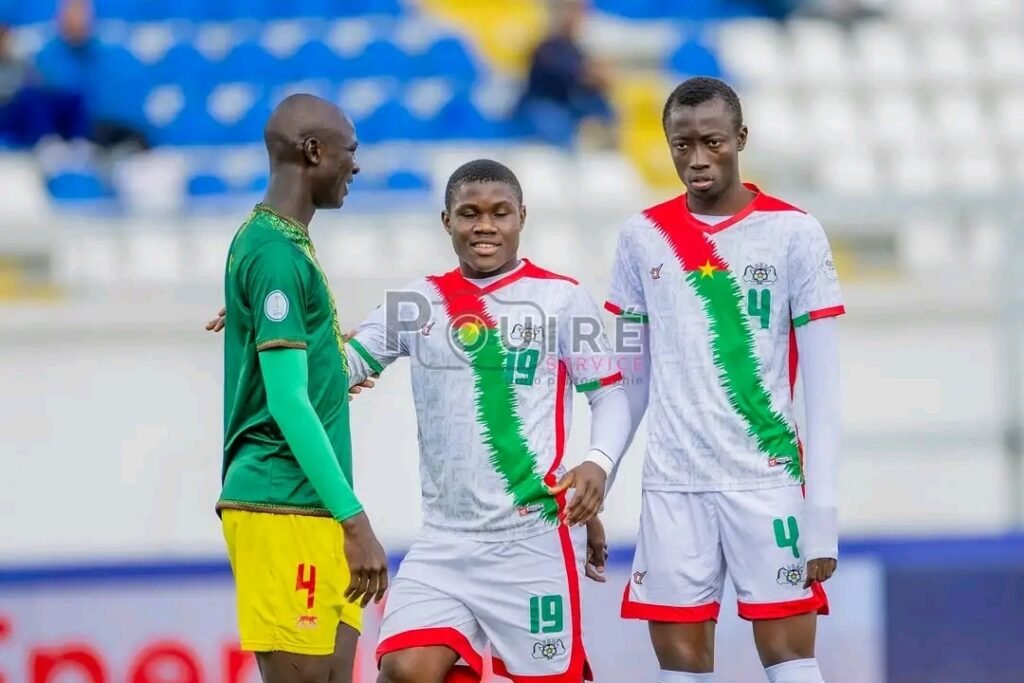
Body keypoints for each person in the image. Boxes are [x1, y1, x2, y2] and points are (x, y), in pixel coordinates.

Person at [342, 159, 631, 683]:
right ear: (446, 221)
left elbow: (610, 396)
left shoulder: (562, 299)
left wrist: (598, 463)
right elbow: (342, 370)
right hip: (444, 543)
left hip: (530, 541)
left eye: (500, 213)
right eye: (468, 213)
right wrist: (280, 327)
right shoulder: (414, 303)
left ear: (521, 216)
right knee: (404, 669)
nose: (484, 226)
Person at [606, 77, 843, 683]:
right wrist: (600, 466)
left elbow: (825, 385)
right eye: (680, 145)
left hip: (765, 480)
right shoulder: (640, 238)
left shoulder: (794, 232)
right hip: (673, 485)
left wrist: (824, 511)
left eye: (712, 141)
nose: (697, 158)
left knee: (790, 659)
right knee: (681, 667)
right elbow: (629, 377)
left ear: (741, 138)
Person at [217, 93, 388, 683]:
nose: (355, 166)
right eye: (350, 151)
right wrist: (356, 520)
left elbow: (300, 366)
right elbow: (288, 402)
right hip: (280, 496)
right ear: (314, 151)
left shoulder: (281, 247)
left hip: (310, 504)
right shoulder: (274, 254)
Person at [515, 0, 615, 148]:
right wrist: (592, 75)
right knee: (554, 123)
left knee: (603, 112)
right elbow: (568, 74)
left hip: (568, 108)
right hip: (543, 109)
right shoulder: (546, 49)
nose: (575, 18)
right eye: (570, 11)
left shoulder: (577, 50)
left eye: (579, 12)